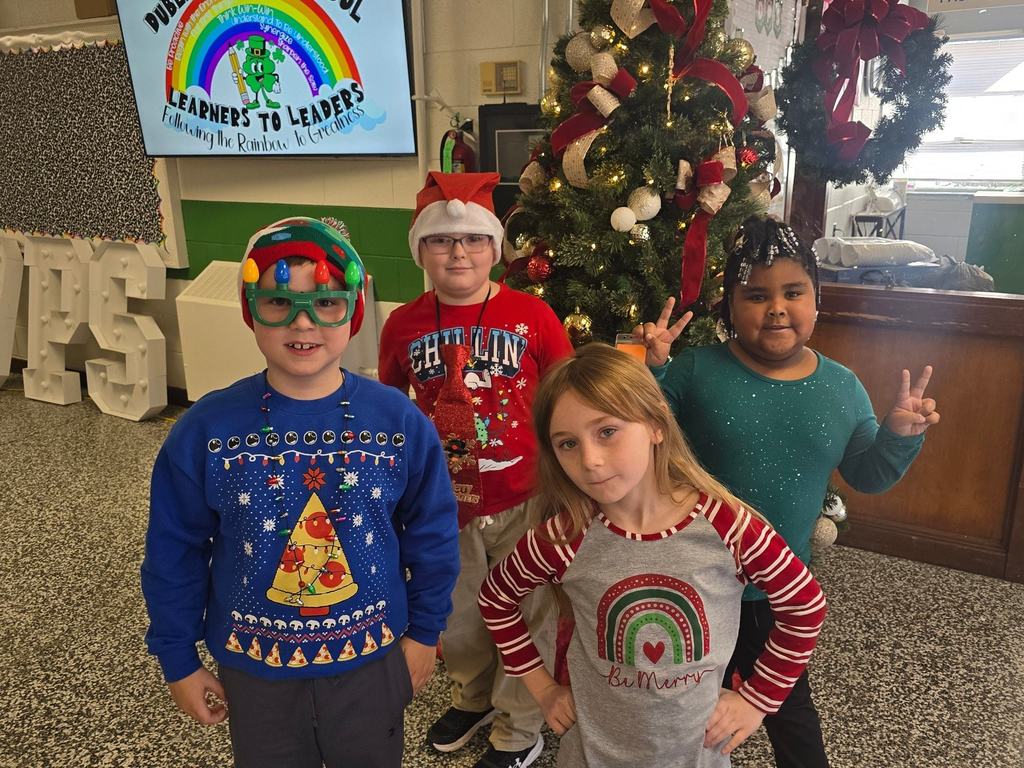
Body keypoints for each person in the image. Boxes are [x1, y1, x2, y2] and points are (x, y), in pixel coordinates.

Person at [141, 217, 460, 768]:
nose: (304, 322)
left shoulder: (398, 421)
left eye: (327, 303)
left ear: (353, 311)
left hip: (372, 660)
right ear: (251, 311)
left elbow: (432, 534)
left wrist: (426, 631)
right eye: (278, 303)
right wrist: (177, 658)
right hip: (255, 666)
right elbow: (174, 549)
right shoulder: (206, 429)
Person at [634, 215, 941, 768]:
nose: (776, 307)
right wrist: (653, 372)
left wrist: (897, 436)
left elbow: (867, 475)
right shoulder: (696, 370)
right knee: (677, 702)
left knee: (788, 710)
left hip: (778, 593)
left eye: (793, 292)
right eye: (756, 295)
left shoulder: (842, 388)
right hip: (690, 585)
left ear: (816, 300)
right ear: (728, 307)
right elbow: (644, 439)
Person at [478, 343, 827, 768]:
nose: (590, 460)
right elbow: (496, 599)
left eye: (607, 431)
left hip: (696, 757)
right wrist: (542, 688)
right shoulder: (565, 536)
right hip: (591, 756)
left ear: (656, 424)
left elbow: (805, 605)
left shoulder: (728, 526)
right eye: (567, 443)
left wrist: (757, 700)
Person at [378, 172, 573, 768]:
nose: (458, 252)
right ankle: (475, 694)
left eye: (472, 239)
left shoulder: (533, 315)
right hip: (443, 503)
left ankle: (520, 725)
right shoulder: (402, 325)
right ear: (421, 251)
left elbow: (568, 396)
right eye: (441, 241)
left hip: (526, 494)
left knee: (529, 609)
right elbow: (391, 410)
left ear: (494, 248)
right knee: (456, 615)